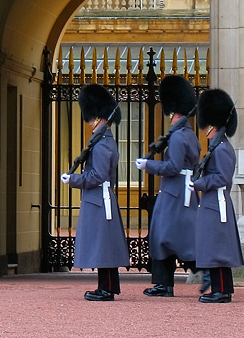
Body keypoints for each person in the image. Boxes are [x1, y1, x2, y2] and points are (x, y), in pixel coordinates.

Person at [61, 84, 129, 301]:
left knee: (104, 245)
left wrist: (73, 180)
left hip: (100, 199)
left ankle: (106, 289)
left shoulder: (101, 145)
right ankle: (107, 286)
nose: (89, 122)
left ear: (99, 118)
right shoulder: (102, 141)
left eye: (92, 118)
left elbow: (97, 177)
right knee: (103, 244)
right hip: (99, 199)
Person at [135, 75, 199, 297]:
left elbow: (173, 167)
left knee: (164, 236)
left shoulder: (179, 137)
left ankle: (172, 281)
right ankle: (166, 283)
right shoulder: (185, 134)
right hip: (178, 192)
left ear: (175, 113)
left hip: (174, 193)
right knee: (167, 237)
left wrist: (148, 165)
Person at [189, 88, 243, 303]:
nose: (205, 131)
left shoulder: (221, 149)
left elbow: (222, 178)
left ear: (213, 125)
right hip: (212, 203)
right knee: (214, 246)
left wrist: (198, 184)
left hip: (217, 203)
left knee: (217, 248)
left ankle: (220, 292)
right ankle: (223, 289)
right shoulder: (217, 147)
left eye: (207, 127)